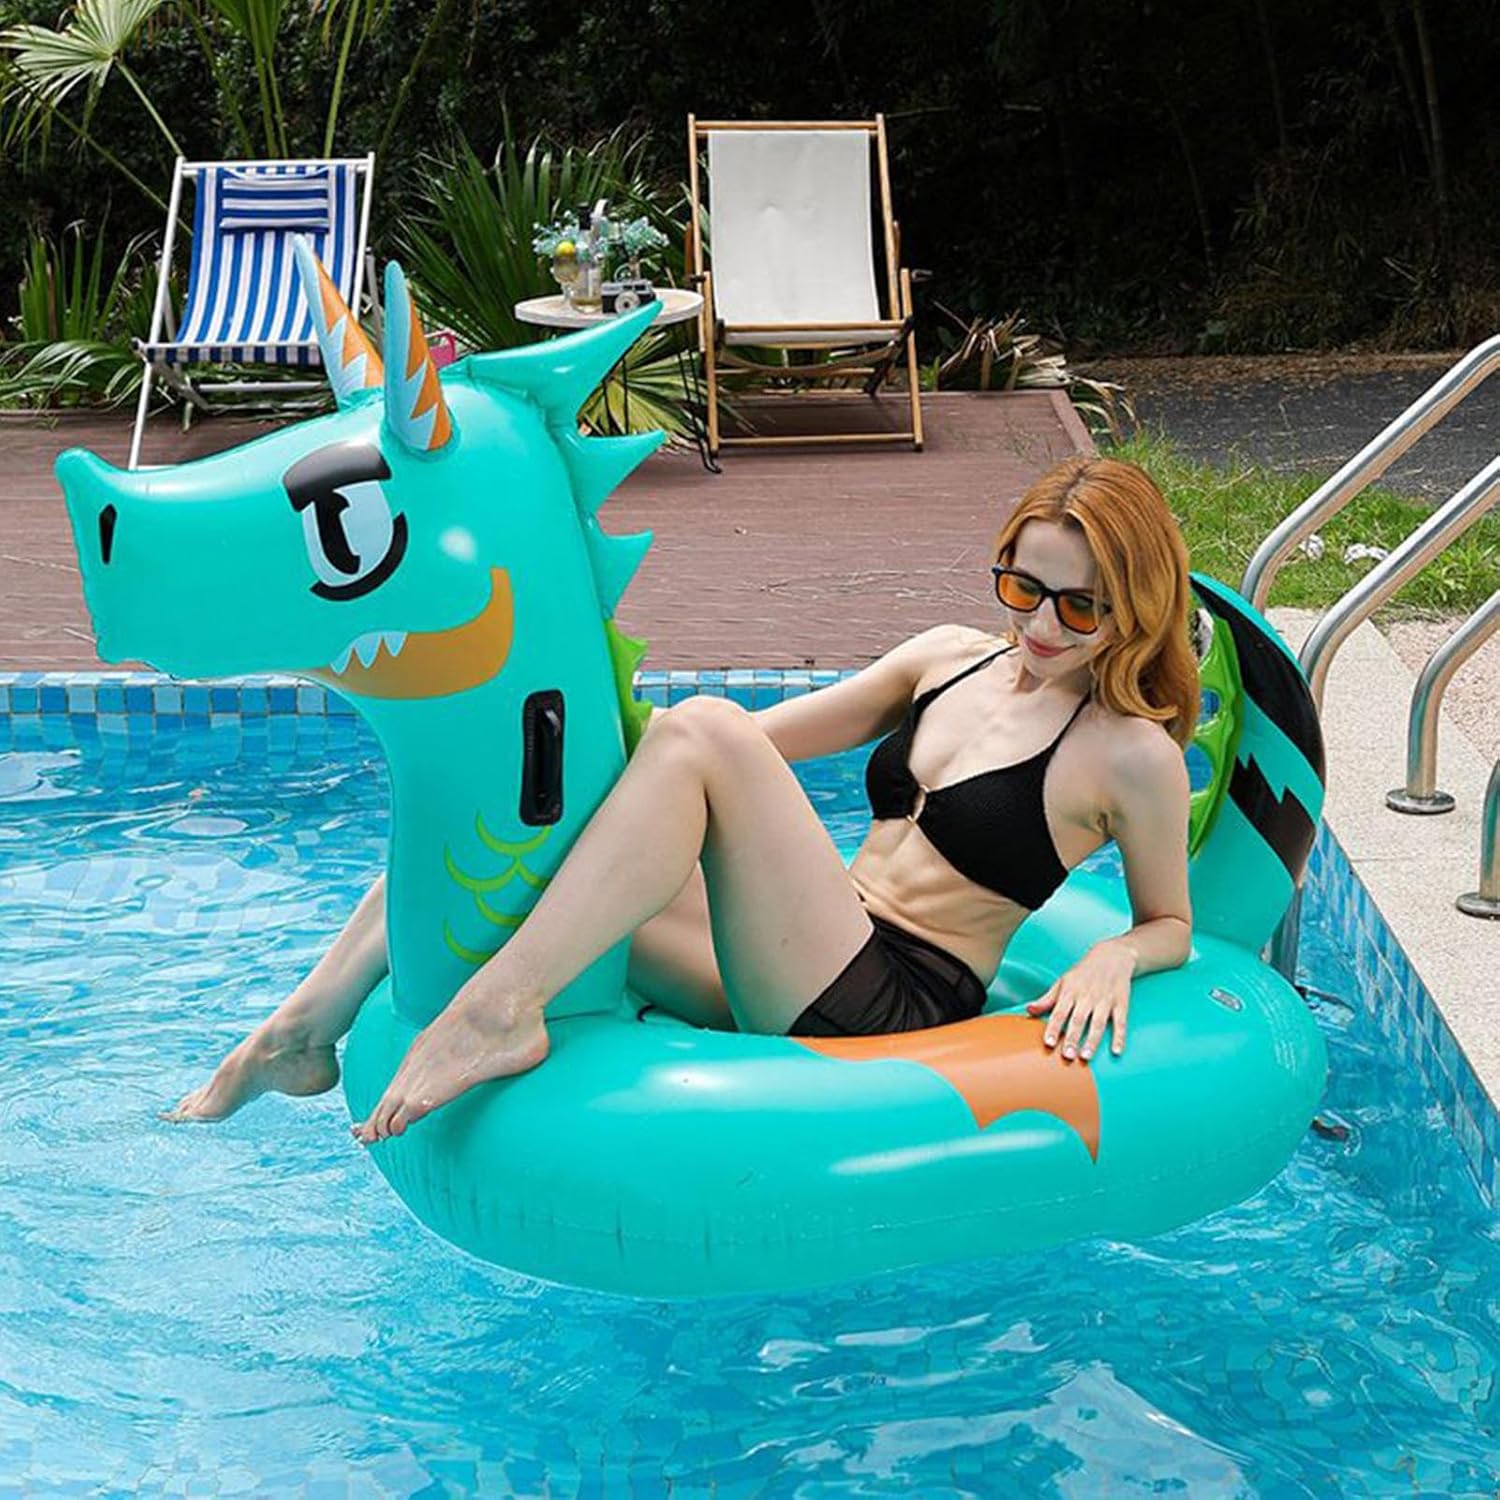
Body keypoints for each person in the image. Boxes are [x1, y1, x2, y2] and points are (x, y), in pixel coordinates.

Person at [164, 455, 1197, 1145]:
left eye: (1080, 607)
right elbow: (734, 748)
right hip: (801, 947)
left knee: (703, 727)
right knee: (527, 834)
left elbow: (1170, 924)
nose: (1043, 626)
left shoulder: (1129, 754)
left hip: (889, 1007)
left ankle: (499, 1007)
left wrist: (1116, 952)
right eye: (1023, 589)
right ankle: (296, 1031)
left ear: (1135, 605)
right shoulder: (947, 659)